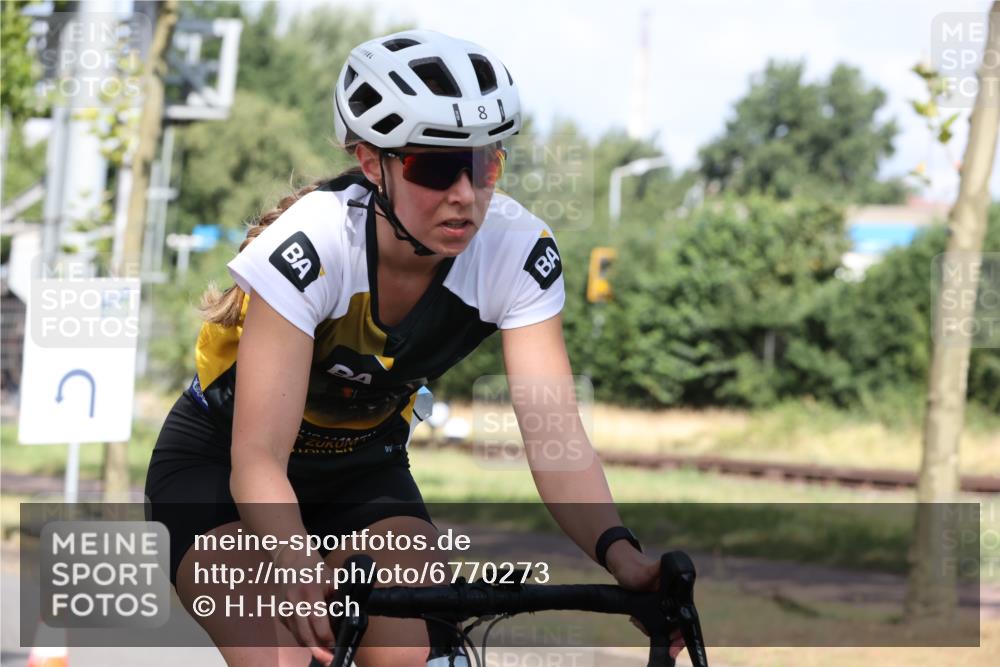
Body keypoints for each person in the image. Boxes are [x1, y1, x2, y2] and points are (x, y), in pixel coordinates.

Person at [144, 29, 669, 667]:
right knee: (285, 658)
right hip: (220, 470)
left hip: (364, 468)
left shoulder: (516, 251)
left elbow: (556, 438)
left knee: (408, 654)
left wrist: (623, 554)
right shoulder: (315, 244)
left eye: (485, 165)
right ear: (374, 163)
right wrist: (295, 564)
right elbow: (256, 459)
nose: (465, 194)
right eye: (434, 167)